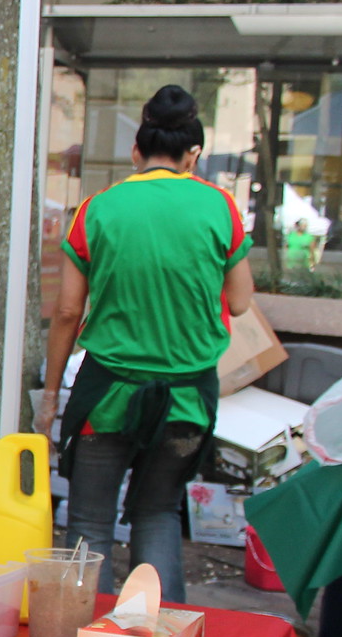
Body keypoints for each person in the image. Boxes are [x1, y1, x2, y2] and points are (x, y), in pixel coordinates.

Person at [38, 86, 254, 603]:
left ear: (137, 151)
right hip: (186, 399)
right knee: (157, 513)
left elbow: (68, 311)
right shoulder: (219, 205)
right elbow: (242, 301)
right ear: (192, 154)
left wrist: (49, 399)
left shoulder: (97, 208)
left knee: (89, 521)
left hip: (107, 395)